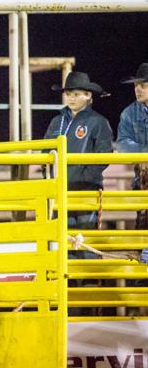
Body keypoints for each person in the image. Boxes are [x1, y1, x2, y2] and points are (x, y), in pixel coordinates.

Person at [44, 71, 113, 316]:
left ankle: (86, 306)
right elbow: (45, 150)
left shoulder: (97, 122)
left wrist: (82, 176)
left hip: (84, 192)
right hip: (59, 192)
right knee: (61, 246)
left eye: (77, 94)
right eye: (69, 94)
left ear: (88, 96)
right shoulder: (57, 122)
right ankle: (66, 305)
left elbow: (103, 156)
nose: (72, 98)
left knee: (84, 246)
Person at [116, 63, 148, 233]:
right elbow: (122, 143)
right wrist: (144, 155)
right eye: (136, 85)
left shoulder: (129, 113)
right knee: (143, 228)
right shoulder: (129, 113)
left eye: (142, 85)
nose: (138, 89)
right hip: (144, 180)